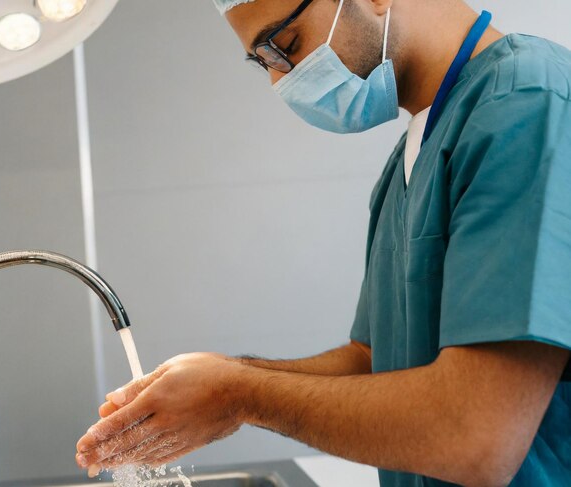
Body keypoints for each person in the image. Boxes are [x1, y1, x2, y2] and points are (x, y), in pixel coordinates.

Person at [75, 1, 571, 485]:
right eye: (264, 61)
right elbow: (373, 359)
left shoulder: (527, 102)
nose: (281, 79)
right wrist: (223, 377)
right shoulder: (412, 156)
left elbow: (477, 437)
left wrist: (238, 394)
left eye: (284, 44)